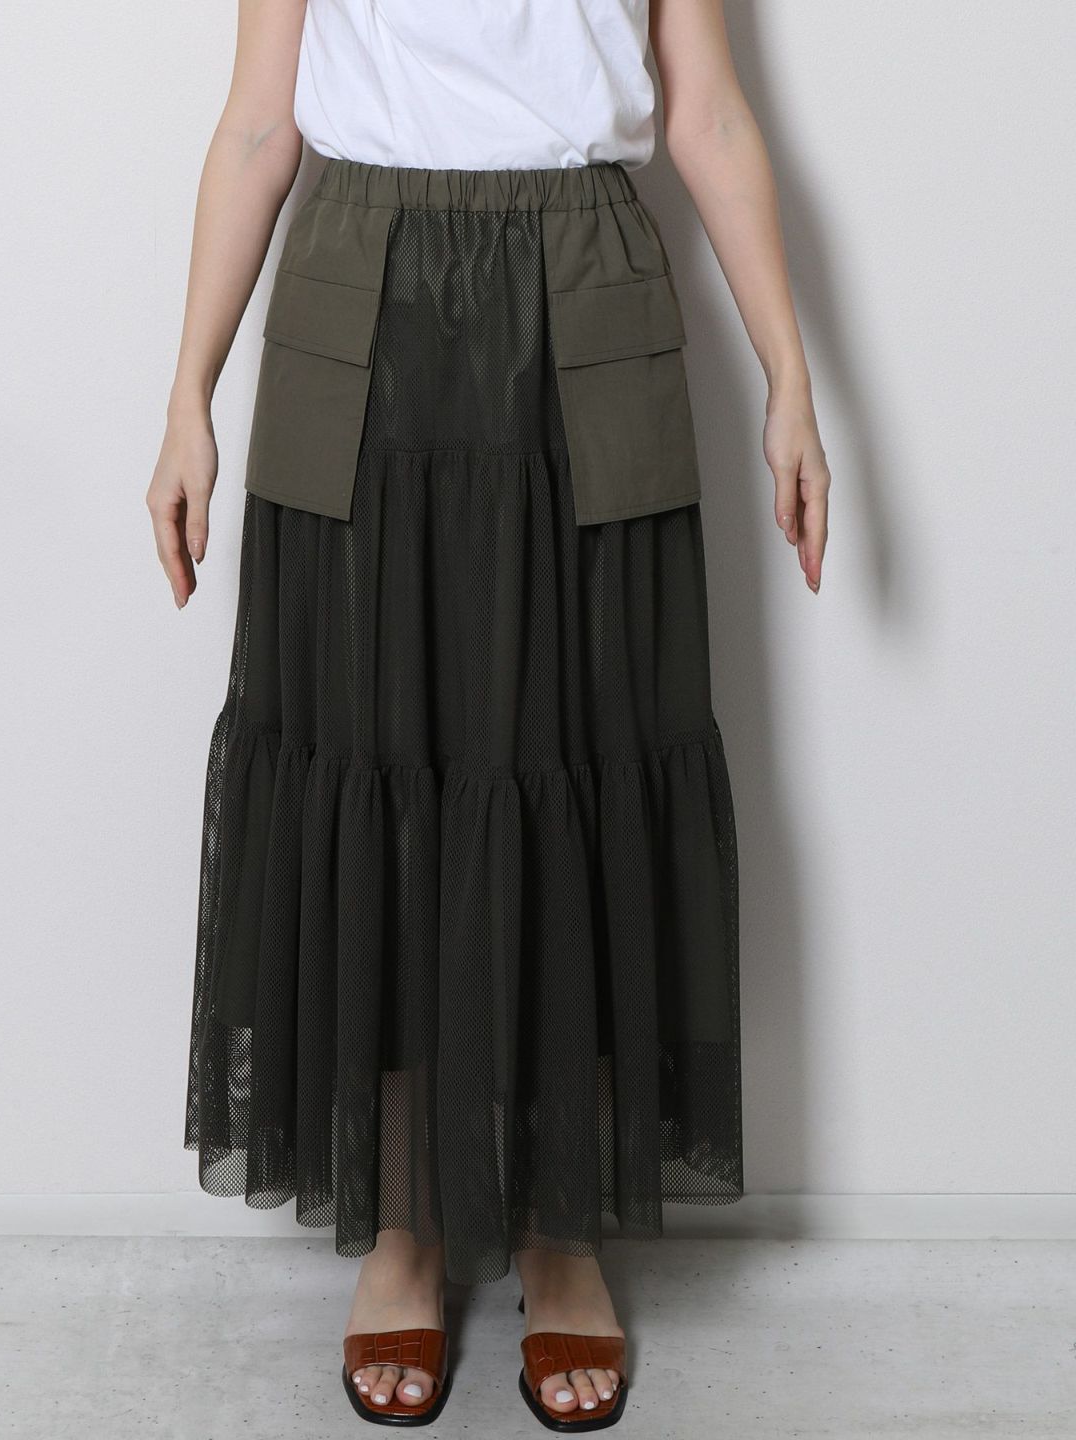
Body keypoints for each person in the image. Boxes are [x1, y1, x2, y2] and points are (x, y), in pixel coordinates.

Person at [147, 0, 829, 1428]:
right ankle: (403, 1221)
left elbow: (706, 111)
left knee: (578, 746)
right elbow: (261, 122)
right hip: (359, 284)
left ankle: (560, 1227)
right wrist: (187, 397)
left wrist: (792, 380)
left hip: (587, 285)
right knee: (378, 758)